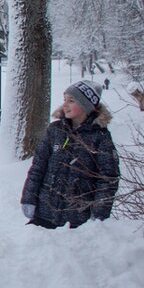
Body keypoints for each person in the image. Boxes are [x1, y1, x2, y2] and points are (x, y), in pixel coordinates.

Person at [21, 80, 119, 229]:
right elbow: (38, 167)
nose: (65, 105)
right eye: (64, 100)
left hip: (77, 222)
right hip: (44, 214)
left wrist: (98, 215)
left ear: (87, 106)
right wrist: (29, 198)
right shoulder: (54, 130)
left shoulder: (100, 138)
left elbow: (107, 180)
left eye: (71, 101)